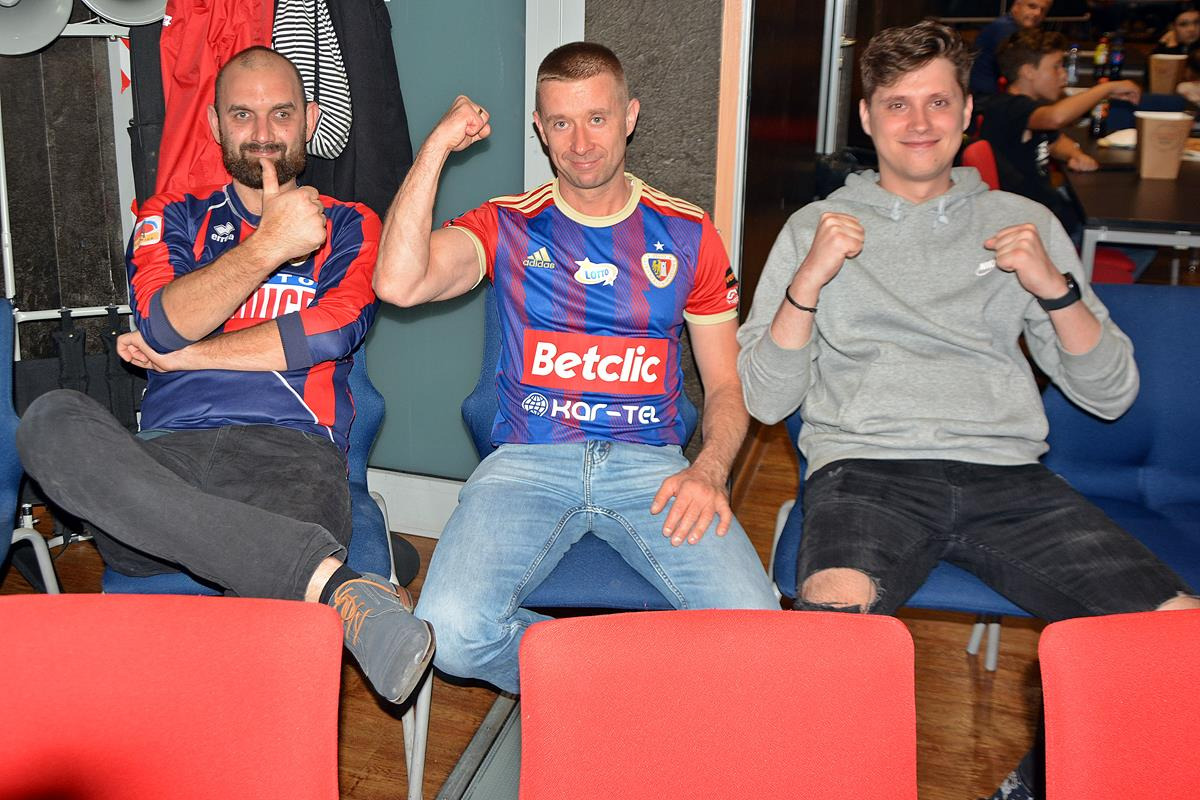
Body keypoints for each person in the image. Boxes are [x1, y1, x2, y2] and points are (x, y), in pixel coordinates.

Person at [736, 21, 1200, 800]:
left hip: (1010, 479)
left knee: (1177, 639)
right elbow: (766, 397)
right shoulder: (812, 229)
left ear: (966, 112)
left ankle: (1037, 785)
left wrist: (1053, 288)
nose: (918, 123)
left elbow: (1111, 393)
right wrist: (806, 284)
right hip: (865, 471)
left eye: (938, 102)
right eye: (897, 104)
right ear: (867, 117)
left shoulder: (1023, 224)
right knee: (826, 643)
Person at [15, 46, 433, 706]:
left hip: (292, 457)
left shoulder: (352, 223)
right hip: (164, 460)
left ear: (310, 119)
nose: (263, 132)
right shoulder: (172, 214)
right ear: (214, 125)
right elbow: (160, 323)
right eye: (242, 114)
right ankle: (332, 584)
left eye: (281, 114)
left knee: (267, 649)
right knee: (50, 420)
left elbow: (329, 333)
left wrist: (188, 354)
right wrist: (269, 245)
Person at [372, 41, 779, 694]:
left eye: (597, 118)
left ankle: (603, 687)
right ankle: (603, 690)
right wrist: (437, 147)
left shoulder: (688, 233)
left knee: (760, 631)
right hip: (528, 463)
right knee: (451, 632)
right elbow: (397, 282)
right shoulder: (507, 224)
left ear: (630, 117)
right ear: (540, 128)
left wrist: (709, 470)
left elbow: (728, 384)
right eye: (561, 122)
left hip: (652, 468)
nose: (581, 143)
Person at [974, 28, 1142, 240]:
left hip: (1046, 212)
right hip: (1034, 224)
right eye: (1056, 67)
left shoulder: (1029, 109)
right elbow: (1055, 118)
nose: (1063, 74)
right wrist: (1106, 89)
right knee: (1141, 240)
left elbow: (1055, 141)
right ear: (1028, 72)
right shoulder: (1007, 107)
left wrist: (1074, 154)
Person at [970, 0, 1054, 96]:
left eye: (1043, 10)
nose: (1037, 13)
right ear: (1017, 6)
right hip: (987, 97)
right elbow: (1023, 70)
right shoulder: (1004, 29)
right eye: (1032, 6)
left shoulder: (1012, 26)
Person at [1153, 3, 1200, 101]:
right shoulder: (1161, 50)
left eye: (1197, 23)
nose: (1192, 29)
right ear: (1172, 27)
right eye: (1183, 24)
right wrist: (1170, 48)